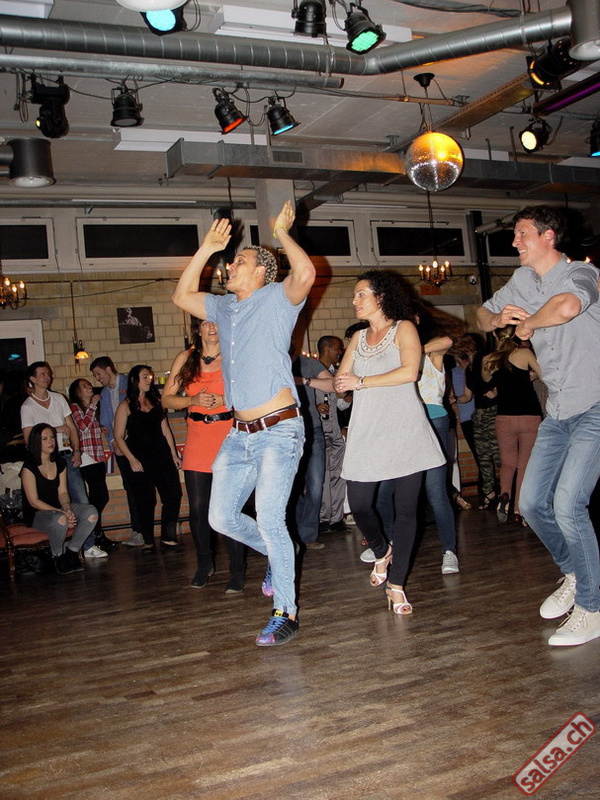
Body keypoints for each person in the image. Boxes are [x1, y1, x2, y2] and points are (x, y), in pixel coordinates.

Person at [172, 200, 315, 647]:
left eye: (240, 261)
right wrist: (207, 249)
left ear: (261, 273)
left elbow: (306, 273)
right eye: (231, 261)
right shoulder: (221, 308)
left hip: (279, 430)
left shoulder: (277, 299)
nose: (231, 265)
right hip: (238, 435)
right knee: (220, 517)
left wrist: (282, 234)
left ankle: (286, 612)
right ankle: (279, 553)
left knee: (270, 518)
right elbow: (180, 296)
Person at [477, 204, 600, 647]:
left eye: (522, 233)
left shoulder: (582, 274)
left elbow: (567, 307)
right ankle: (575, 573)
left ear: (549, 236)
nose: (515, 242)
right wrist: (497, 319)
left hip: (595, 407)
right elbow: (481, 314)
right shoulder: (522, 279)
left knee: (568, 504)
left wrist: (528, 323)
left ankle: (592, 608)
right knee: (530, 504)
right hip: (559, 412)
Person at [335, 270, 445, 615]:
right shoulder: (358, 337)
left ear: (381, 297)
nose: (354, 300)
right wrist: (338, 383)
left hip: (404, 428)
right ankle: (382, 551)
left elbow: (410, 372)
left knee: (406, 510)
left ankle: (396, 585)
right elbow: (342, 378)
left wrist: (360, 382)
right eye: (355, 295)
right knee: (359, 503)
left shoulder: (404, 328)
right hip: (366, 429)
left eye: (361, 294)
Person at [162, 320, 246, 592]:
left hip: (228, 435)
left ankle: (237, 569)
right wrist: (192, 401)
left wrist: (226, 400)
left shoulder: (235, 353)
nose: (212, 327)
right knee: (198, 507)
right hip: (198, 437)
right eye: (206, 323)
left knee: (231, 508)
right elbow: (166, 399)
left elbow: (252, 393)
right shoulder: (186, 358)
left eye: (217, 322)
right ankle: (204, 563)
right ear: (198, 329)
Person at [20, 362, 96, 548]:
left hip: (65, 455)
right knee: (55, 500)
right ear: (32, 379)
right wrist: (55, 430)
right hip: (44, 460)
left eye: (48, 374)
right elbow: (29, 438)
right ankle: (60, 547)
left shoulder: (58, 398)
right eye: (42, 374)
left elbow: (71, 427)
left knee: (81, 498)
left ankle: (87, 546)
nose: (47, 377)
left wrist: (76, 451)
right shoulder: (28, 406)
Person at [114, 365, 182, 553]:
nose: (149, 380)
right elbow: (118, 436)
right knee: (145, 500)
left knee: (173, 494)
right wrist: (131, 459)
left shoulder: (157, 401)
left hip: (161, 454)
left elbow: (165, 430)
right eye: (145, 377)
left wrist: (174, 454)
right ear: (134, 380)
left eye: (150, 377)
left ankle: (168, 536)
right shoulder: (125, 405)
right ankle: (148, 540)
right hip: (140, 456)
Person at [481, 326, 543, 525]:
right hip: (529, 416)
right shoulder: (524, 353)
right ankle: (519, 510)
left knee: (508, 463)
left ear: (494, 334)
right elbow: (544, 375)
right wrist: (532, 375)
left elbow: (487, 381)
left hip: (505, 418)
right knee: (524, 465)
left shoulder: (489, 359)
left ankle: (505, 495)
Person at [20, 423, 98, 575]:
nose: (51, 441)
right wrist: (61, 512)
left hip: (59, 509)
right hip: (38, 514)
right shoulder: (29, 467)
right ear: (36, 442)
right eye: (45, 439)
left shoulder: (59, 462)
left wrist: (67, 508)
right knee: (60, 519)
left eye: (52, 437)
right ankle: (57, 556)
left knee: (91, 513)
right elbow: (33, 501)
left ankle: (72, 551)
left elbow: (63, 493)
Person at [416, 322, 460, 575]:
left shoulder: (430, 353)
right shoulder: (398, 353)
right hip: (407, 423)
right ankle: (387, 545)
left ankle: (449, 550)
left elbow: (447, 342)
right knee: (394, 491)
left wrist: (415, 350)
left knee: (435, 491)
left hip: (434, 420)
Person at [90, 356, 143, 547]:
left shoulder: (129, 382)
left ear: (108, 369)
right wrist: (113, 442)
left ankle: (144, 530)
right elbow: (105, 421)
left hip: (137, 442)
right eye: (95, 376)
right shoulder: (104, 393)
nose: (97, 378)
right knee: (130, 487)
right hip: (119, 446)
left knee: (142, 486)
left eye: (98, 374)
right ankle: (138, 531)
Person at [290, 351, 334, 550]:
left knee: (316, 485)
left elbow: (332, 384)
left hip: (312, 429)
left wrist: (304, 381)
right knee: (290, 487)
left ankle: (308, 535)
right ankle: (298, 532)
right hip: (284, 433)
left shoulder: (307, 363)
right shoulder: (272, 360)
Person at [68, 378, 113, 555]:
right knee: (98, 496)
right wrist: (93, 405)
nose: (89, 387)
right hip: (86, 457)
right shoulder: (75, 407)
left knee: (100, 496)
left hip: (97, 456)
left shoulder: (90, 409)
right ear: (77, 392)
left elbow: (90, 427)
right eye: (84, 386)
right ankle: (93, 532)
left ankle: (96, 532)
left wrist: (100, 428)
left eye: (89, 384)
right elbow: (82, 427)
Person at [316, 335, 351, 535]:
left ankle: (337, 518)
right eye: (337, 348)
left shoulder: (337, 373)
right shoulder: (311, 372)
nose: (340, 352)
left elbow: (340, 405)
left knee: (338, 475)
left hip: (335, 431)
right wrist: (315, 407)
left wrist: (346, 399)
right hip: (319, 432)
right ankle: (323, 518)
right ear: (327, 349)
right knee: (322, 475)